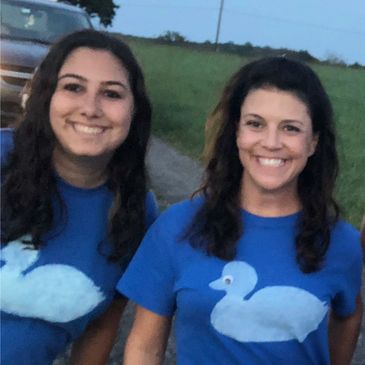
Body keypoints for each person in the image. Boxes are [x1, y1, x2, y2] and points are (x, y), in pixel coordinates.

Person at [117, 57, 363, 365]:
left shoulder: (341, 241)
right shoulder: (177, 228)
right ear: (237, 133)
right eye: (255, 124)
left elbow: (349, 314)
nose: (271, 142)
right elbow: (144, 348)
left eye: (290, 128)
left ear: (313, 142)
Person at [0, 29, 159, 364]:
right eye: (73, 87)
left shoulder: (135, 209)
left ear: (134, 110)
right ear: (47, 96)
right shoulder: (2, 157)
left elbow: (100, 328)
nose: (90, 108)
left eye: (112, 94)